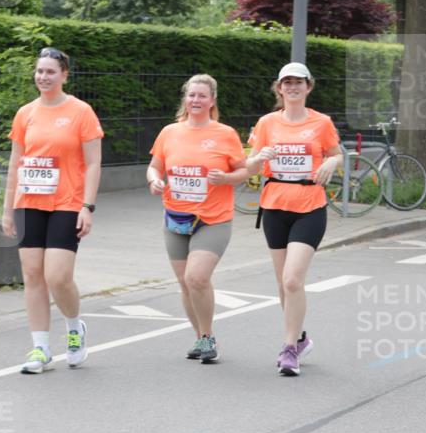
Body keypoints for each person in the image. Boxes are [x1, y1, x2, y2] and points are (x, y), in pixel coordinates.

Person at [2, 47, 103, 374]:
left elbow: (93, 162)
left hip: (67, 203)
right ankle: (41, 348)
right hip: (29, 203)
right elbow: (15, 164)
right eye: (39, 71)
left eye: (50, 72)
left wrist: (87, 206)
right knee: (32, 275)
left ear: (64, 75)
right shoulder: (25, 113)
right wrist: (7, 209)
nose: (43, 77)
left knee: (57, 277)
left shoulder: (81, 111)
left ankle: (74, 328)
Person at [246, 62, 342, 377]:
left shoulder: (321, 122)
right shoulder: (266, 123)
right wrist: (257, 160)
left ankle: (289, 350)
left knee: (292, 279)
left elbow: (336, 152)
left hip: (310, 206)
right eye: (286, 83)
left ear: (308, 86)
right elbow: (251, 165)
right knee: (282, 283)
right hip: (274, 206)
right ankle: (299, 337)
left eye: (298, 82)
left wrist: (333, 162)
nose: (292, 87)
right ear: (279, 88)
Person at [147, 74, 249, 364]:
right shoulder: (170, 132)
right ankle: (201, 337)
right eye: (191, 95)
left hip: (213, 218)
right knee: (184, 282)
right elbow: (154, 166)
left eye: (202, 96)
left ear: (212, 100)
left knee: (197, 277)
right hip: (176, 217)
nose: (195, 100)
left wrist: (226, 177)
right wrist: (155, 180)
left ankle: (207, 338)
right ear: (185, 98)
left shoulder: (225, 134)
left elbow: (244, 172)